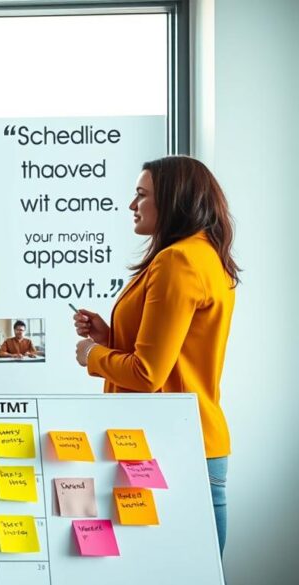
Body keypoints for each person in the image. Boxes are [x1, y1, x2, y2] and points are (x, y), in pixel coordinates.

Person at [73, 155, 238, 556]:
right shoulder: (204, 255)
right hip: (190, 442)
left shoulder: (177, 261)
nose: (132, 205)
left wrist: (92, 354)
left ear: (173, 199)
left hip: (175, 446)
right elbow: (176, 353)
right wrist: (110, 338)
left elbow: (148, 373)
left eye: (141, 195)